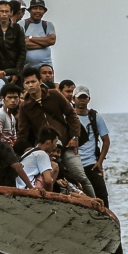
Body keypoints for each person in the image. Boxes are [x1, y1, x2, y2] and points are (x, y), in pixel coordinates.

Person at [17, 67, 95, 198]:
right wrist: (25, 149)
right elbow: (22, 132)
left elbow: (71, 115)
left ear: (40, 81)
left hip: (66, 144)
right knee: (51, 177)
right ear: (24, 85)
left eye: (33, 81)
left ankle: (95, 203)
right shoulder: (25, 106)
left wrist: (75, 137)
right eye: (27, 83)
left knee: (80, 176)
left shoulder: (53, 95)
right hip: (45, 149)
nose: (31, 85)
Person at [73, 85, 112, 207]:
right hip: (74, 163)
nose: (82, 100)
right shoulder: (68, 116)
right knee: (79, 197)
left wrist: (99, 162)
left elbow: (106, 140)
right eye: (79, 98)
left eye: (84, 97)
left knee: (102, 195)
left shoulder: (95, 117)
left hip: (91, 163)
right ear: (74, 99)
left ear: (89, 99)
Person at [23, 0, 57, 69]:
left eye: (40, 9)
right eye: (35, 8)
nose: (38, 11)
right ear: (30, 10)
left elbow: (51, 41)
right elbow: (23, 44)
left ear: (44, 12)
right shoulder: (22, 24)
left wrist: (31, 38)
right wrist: (44, 44)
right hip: (27, 67)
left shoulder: (48, 25)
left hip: (46, 67)